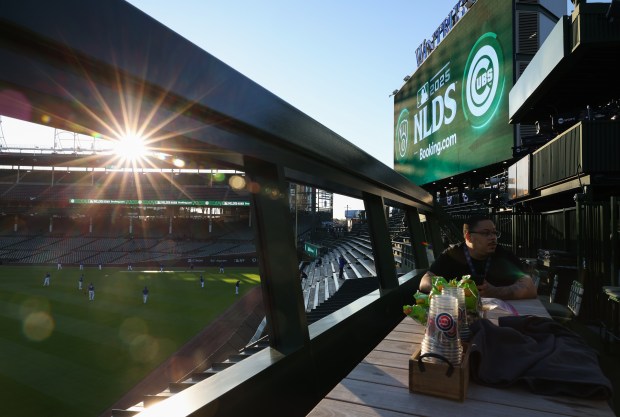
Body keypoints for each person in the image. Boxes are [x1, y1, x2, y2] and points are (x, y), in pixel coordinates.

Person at [419, 215, 537, 300]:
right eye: (486, 233)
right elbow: (425, 282)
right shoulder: (453, 254)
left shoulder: (503, 255)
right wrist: (452, 291)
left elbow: (530, 288)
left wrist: (494, 292)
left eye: (495, 233)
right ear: (468, 237)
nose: (493, 238)